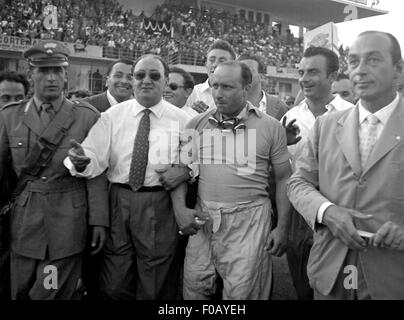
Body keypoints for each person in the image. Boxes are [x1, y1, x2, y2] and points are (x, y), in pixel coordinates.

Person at [287, 31, 404, 299]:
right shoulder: (326, 126)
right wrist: (326, 212)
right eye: (354, 61)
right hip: (331, 270)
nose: (361, 70)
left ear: (398, 69)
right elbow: (298, 183)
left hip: (391, 277)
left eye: (373, 60)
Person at [66, 54, 193, 300]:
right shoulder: (112, 116)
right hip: (118, 200)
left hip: (159, 203)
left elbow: (196, 161)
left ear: (166, 81)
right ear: (133, 80)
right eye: (140, 75)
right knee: (114, 282)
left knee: (155, 283)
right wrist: (80, 161)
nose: (146, 81)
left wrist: (186, 169)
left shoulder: (184, 120)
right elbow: (93, 155)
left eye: (154, 76)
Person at [171, 61, 292, 299]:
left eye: (227, 87)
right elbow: (179, 169)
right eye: (215, 85)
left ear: (246, 89)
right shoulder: (195, 124)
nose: (218, 93)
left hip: (250, 223)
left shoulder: (271, 127)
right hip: (203, 221)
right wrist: (179, 210)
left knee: (243, 295)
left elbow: (284, 178)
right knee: (195, 288)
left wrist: (283, 228)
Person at [0, 40, 108, 300]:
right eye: (43, 71)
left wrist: (98, 220)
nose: (51, 78)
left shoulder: (86, 116)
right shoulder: (9, 116)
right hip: (25, 218)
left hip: (67, 219)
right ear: (31, 75)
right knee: (21, 289)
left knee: (50, 292)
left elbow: (96, 173)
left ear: (66, 75)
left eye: (57, 71)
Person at [281, 46, 354, 300]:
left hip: (341, 211)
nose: (304, 78)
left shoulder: (352, 115)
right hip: (300, 214)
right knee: (303, 285)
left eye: (313, 71)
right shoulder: (289, 117)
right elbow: (282, 171)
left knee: (343, 285)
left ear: (332, 77)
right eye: (301, 72)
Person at [0, 71, 30, 300]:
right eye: (5, 98)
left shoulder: (31, 134)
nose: (11, 105)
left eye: (18, 99)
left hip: (19, 224)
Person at [182, 39, 236, 117]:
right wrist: (191, 113)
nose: (215, 64)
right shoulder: (192, 94)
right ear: (206, 64)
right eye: (212, 60)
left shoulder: (240, 96)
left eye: (222, 61)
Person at [238, 54, 289, 120]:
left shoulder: (282, 108)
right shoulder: (227, 106)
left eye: (248, 70)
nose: (242, 74)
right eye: (239, 71)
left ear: (261, 77)